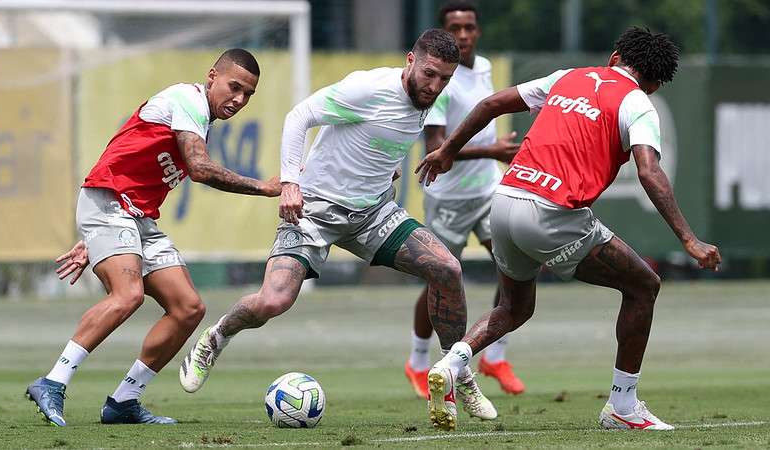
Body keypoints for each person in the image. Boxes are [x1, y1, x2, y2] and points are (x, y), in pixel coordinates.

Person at [179, 29, 497, 423]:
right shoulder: (367, 88)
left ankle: (459, 374)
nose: (435, 86)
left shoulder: (434, 98)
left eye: (444, 79)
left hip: (374, 214)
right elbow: (300, 117)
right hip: (314, 211)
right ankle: (216, 337)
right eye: (429, 74)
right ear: (410, 60)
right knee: (273, 301)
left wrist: (384, 169)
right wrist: (291, 182)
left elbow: (384, 138)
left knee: (447, 268)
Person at [417, 27, 721, 431]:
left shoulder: (569, 76)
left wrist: (449, 150)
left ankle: (451, 364)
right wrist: (689, 239)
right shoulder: (638, 103)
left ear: (615, 58)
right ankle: (622, 406)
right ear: (654, 85)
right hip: (551, 214)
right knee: (643, 286)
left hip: (505, 201)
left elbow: (492, 103)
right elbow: (649, 171)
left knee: (515, 307)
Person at [25, 49, 281, 427]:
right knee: (127, 295)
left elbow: (137, 165)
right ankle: (53, 381)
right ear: (212, 76)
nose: (239, 100)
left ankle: (124, 401)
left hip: (133, 216)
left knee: (188, 307)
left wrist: (94, 242)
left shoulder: (198, 119)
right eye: (234, 87)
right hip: (109, 203)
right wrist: (263, 187)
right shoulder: (187, 101)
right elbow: (199, 169)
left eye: (248, 95)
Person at [405, 0, 525, 401]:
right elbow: (436, 147)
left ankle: (495, 355)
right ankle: (419, 362)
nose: (464, 34)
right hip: (448, 198)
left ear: (477, 31)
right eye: (455, 27)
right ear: (444, 32)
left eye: (469, 27)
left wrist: (494, 156)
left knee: (517, 267)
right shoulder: (441, 82)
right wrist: (492, 151)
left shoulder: (485, 68)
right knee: (439, 279)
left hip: (488, 191)